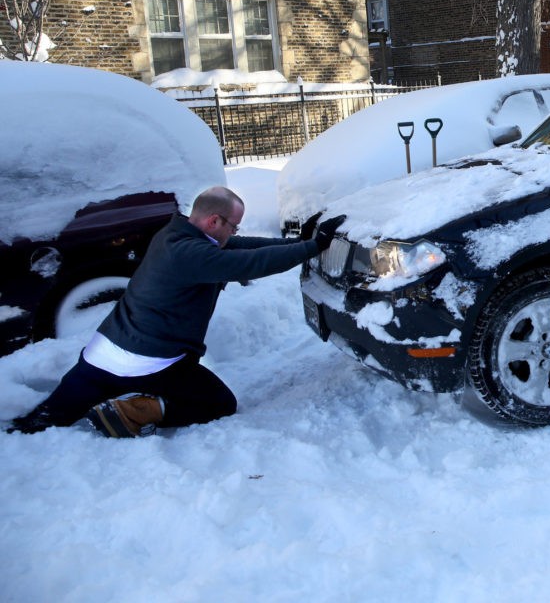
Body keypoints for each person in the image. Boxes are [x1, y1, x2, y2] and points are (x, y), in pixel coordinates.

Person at [6, 186, 345, 437]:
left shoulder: (174, 234)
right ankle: (133, 412)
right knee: (218, 403)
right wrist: (315, 247)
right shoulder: (191, 255)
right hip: (151, 360)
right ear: (214, 220)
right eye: (233, 226)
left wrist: (299, 243)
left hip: (100, 355)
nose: (235, 233)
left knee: (44, 419)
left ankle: (23, 423)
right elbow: (251, 262)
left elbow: (243, 247)